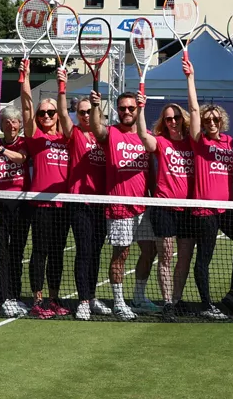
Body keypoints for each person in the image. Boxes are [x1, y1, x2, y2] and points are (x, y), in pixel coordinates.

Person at [90, 90, 156, 322]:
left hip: (143, 206)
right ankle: (119, 302)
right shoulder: (111, 133)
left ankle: (138, 296)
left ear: (137, 109)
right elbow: (96, 128)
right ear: (117, 110)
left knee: (150, 250)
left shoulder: (146, 134)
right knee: (121, 254)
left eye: (131, 108)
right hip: (118, 205)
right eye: (122, 108)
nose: (126, 112)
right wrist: (96, 106)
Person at [176, 58, 232, 320]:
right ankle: (207, 305)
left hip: (229, 208)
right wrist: (191, 78)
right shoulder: (199, 141)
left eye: (215, 118)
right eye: (208, 118)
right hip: (205, 211)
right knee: (204, 260)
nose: (211, 121)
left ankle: (232, 295)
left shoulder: (229, 142)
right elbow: (194, 110)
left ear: (222, 121)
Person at [19, 61, 72, 319]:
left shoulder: (67, 137)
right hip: (40, 204)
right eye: (43, 114)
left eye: (51, 113)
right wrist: (24, 78)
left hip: (63, 204)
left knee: (57, 254)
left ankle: (53, 298)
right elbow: (27, 106)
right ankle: (38, 301)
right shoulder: (36, 136)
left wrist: (63, 83)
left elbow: (65, 112)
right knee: (39, 252)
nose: (47, 116)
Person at [66, 81, 109, 320]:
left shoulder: (105, 135)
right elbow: (62, 113)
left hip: (101, 203)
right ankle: (82, 300)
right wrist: (62, 86)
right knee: (83, 250)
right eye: (81, 112)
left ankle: (91, 297)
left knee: (95, 252)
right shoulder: (74, 134)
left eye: (90, 111)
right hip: (79, 202)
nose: (85, 115)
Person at [146, 101, 190, 321]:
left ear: (183, 119)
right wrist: (142, 108)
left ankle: (177, 298)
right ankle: (167, 303)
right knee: (165, 256)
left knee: (184, 257)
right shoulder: (161, 142)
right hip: (163, 206)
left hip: (189, 208)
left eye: (176, 118)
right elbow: (145, 139)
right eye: (168, 119)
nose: (173, 122)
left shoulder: (192, 142)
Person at [0, 103, 29, 318]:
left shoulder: (24, 143)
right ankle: (2, 298)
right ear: (2, 125)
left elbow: (21, 158)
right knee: (1, 254)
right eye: (7, 121)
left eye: (14, 121)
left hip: (20, 204)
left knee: (17, 253)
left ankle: (14, 296)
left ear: (20, 125)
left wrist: (0, 149)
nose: (11, 124)